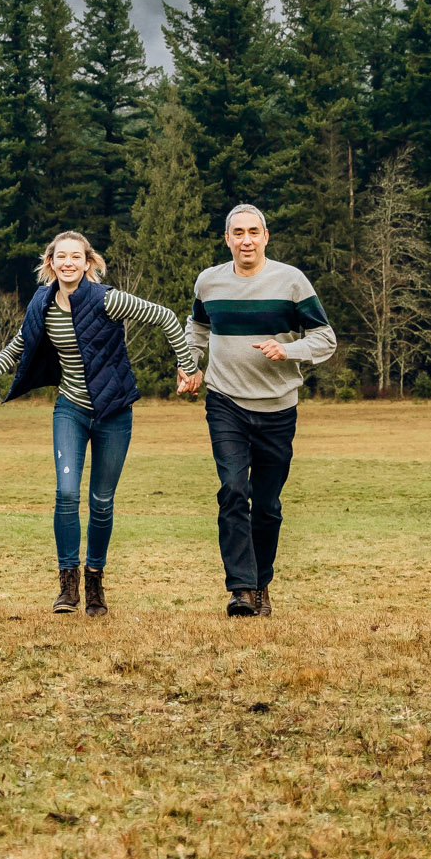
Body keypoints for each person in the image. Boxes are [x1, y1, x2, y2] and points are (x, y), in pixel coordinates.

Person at [0, 231, 203, 617]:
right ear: (51, 263)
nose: (69, 263)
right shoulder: (42, 303)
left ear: (88, 262)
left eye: (77, 256)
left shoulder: (108, 299)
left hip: (113, 412)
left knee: (102, 502)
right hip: (70, 409)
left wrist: (188, 365)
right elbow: (19, 344)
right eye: (62, 256)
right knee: (66, 493)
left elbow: (165, 317)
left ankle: (95, 581)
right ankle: (68, 583)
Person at [186, 204, 337, 617]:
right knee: (233, 491)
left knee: (267, 505)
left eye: (254, 232)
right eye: (238, 232)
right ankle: (242, 590)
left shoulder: (291, 281)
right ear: (228, 239)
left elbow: (325, 339)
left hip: (277, 407)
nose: (246, 240)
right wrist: (190, 364)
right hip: (225, 402)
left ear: (266, 237)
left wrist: (287, 350)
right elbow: (197, 328)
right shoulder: (209, 282)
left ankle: (262, 582)